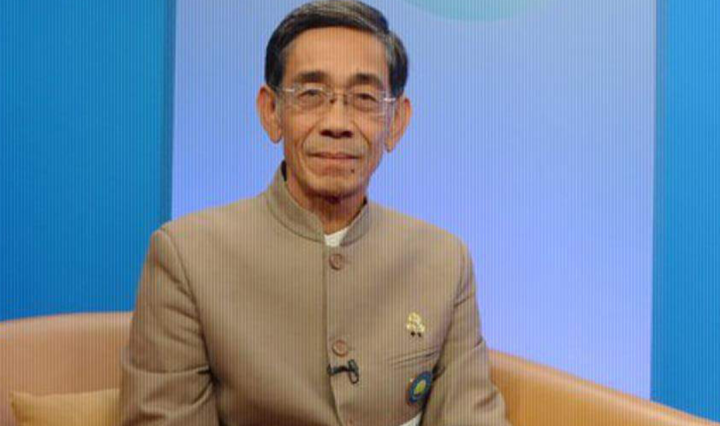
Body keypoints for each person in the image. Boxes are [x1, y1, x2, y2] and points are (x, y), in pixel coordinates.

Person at [119, 1, 511, 425]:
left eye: (364, 98)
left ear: (396, 121)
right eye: (311, 95)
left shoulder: (443, 261)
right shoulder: (188, 257)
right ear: (272, 112)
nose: (337, 122)